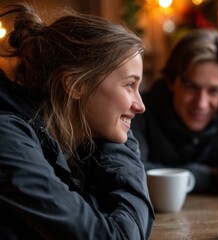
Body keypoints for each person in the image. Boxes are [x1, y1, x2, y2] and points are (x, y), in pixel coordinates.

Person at [0, 3, 154, 239]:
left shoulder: (79, 138)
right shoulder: (7, 139)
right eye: (129, 85)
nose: (140, 106)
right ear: (76, 85)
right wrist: (121, 144)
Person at [131, 29, 218, 194]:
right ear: (171, 81)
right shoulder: (138, 110)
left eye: (214, 90)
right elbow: (131, 174)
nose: (201, 104)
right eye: (191, 87)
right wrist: (204, 176)